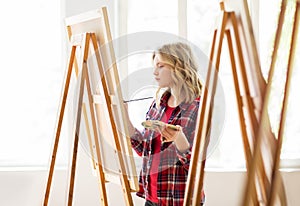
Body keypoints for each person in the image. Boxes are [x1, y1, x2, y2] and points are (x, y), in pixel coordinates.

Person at [124, 42, 205, 206]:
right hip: (152, 198)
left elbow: (196, 167)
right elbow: (145, 150)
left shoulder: (197, 108)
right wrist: (123, 117)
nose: (154, 72)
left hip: (180, 200)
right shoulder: (158, 104)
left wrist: (179, 139)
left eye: (160, 66)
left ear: (179, 67)